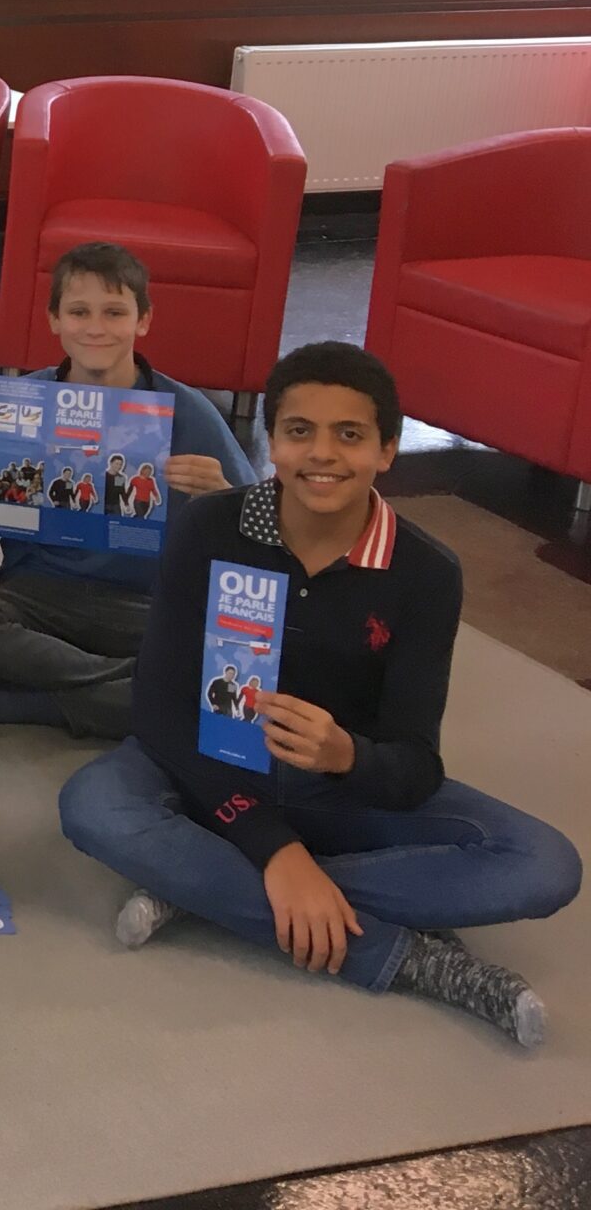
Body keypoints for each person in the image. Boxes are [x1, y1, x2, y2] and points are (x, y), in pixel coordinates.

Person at [60, 342, 581, 1046]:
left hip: (337, 790)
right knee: (94, 805)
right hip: (206, 772)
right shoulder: (208, 526)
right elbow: (158, 710)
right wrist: (277, 851)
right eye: (299, 431)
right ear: (271, 442)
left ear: (388, 450)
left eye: (350, 434)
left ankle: (211, 887)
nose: (322, 454)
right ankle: (404, 956)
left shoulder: (427, 573)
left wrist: (346, 756)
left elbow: (415, 764)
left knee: (544, 865)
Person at [0, 243, 254, 738]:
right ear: (54, 320)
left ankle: (29, 701)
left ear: (144, 320)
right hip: (35, 597)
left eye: (114, 312)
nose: (96, 328)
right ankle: (132, 682)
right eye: (79, 312)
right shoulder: (18, 402)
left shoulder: (187, 411)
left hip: (143, 605)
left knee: (223, 668)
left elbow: (261, 536)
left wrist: (222, 494)